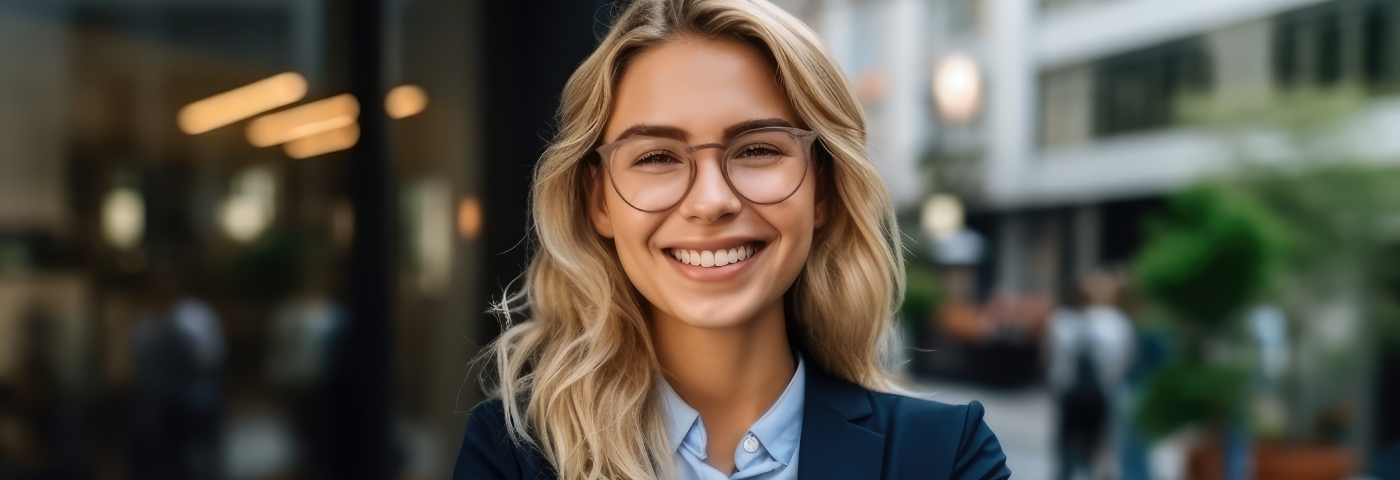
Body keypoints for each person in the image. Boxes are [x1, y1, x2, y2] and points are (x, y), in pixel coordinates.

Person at [454, 1, 1011, 479]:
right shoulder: (515, 456)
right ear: (598, 200)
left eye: (758, 149)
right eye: (655, 157)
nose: (711, 200)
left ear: (821, 189)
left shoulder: (944, 456)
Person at [1045, 271, 1134, 480]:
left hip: (1069, 395)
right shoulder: (1119, 323)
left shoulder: (1061, 321)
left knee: (1065, 452)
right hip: (1102, 396)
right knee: (1099, 452)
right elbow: (1124, 364)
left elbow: (1050, 362)